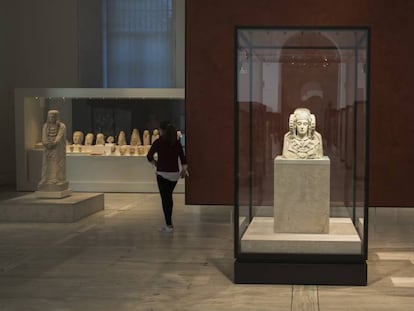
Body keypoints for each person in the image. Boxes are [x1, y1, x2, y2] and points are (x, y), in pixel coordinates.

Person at [147, 121, 188, 233]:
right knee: (168, 197)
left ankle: (169, 225)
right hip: (174, 175)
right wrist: (184, 169)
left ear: (162, 130)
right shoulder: (176, 142)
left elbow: (149, 156)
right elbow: (183, 158)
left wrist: (155, 163)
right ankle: (169, 224)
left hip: (162, 174)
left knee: (165, 199)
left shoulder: (159, 142)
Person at [38, 110, 68, 191]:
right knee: (46, 163)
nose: (52, 118)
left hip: (57, 147)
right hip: (47, 146)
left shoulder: (62, 126)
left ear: (57, 117)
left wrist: (54, 143)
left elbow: (59, 136)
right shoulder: (45, 126)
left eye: (53, 117)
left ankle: (56, 178)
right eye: (50, 117)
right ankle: (45, 179)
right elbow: (44, 136)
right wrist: (47, 143)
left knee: (56, 162)